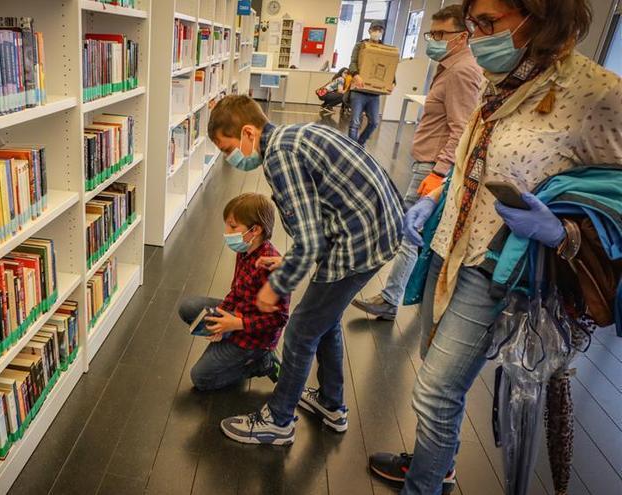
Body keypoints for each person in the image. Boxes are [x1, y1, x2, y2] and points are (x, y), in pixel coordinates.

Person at [368, 0, 622, 493]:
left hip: (498, 268)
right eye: (473, 22)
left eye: (489, 23)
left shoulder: (597, 93)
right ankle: (435, 461)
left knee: (436, 390)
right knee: (436, 376)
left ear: (541, 16)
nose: (477, 34)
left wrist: (562, 231)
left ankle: (426, 484)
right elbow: (478, 158)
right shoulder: (502, 78)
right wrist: (439, 195)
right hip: (449, 247)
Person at [207, 95, 403, 445]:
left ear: (249, 133)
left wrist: (276, 284)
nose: (229, 158)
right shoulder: (294, 136)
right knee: (322, 320)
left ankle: (279, 421)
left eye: (227, 148)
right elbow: (324, 210)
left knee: (300, 330)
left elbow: (310, 239)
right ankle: (331, 402)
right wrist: (292, 260)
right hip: (375, 230)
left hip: (359, 243)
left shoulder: (280, 157)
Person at [353, 5, 483, 320]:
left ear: (462, 36)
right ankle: (406, 297)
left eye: (441, 34)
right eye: (431, 33)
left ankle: (391, 298)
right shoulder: (450, 66)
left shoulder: (462, 71)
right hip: (429, 164)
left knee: (408, 231)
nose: (434, 40)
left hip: (433, 167)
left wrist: (438, 173)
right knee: (417, 232)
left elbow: (461, 128)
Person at [177, 193, 289, 391]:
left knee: (201, 378)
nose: (226, 232)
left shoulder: (272, 267)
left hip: (255, 338)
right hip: (238, 316)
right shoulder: (245, 251)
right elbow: (236, 291)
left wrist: (236, 323)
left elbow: (279, 319)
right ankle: (228, 337)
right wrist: (221, 315)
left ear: (255, 230)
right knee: (188, 307)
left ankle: (263, 362)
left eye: (233, 226)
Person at [348, 21, 396, 145]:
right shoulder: (360, 46)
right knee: (355, 122)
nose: (377, 32)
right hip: (359, 90)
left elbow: (390, 68)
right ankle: (352, 150)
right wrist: (356, 75)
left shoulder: (386, 50)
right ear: (369, 30)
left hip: (374, 93)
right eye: (375, 29)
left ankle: (360, 144)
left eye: (380, 30)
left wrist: (393, 83)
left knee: (374, 122)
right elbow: (353, 62)